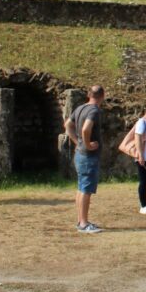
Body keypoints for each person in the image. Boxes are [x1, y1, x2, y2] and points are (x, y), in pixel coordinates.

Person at [65, 85, 105, 234]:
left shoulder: (80, 108)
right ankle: (83, 223)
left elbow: (67, 125)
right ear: (102, 95)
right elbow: (86, 129)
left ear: (89, 94)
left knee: (81, 188)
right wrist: (87, 144)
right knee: (86, 189)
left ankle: (81, 220)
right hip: (88, 156)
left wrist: (78, 142)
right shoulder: (94, 110)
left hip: (80, 154)